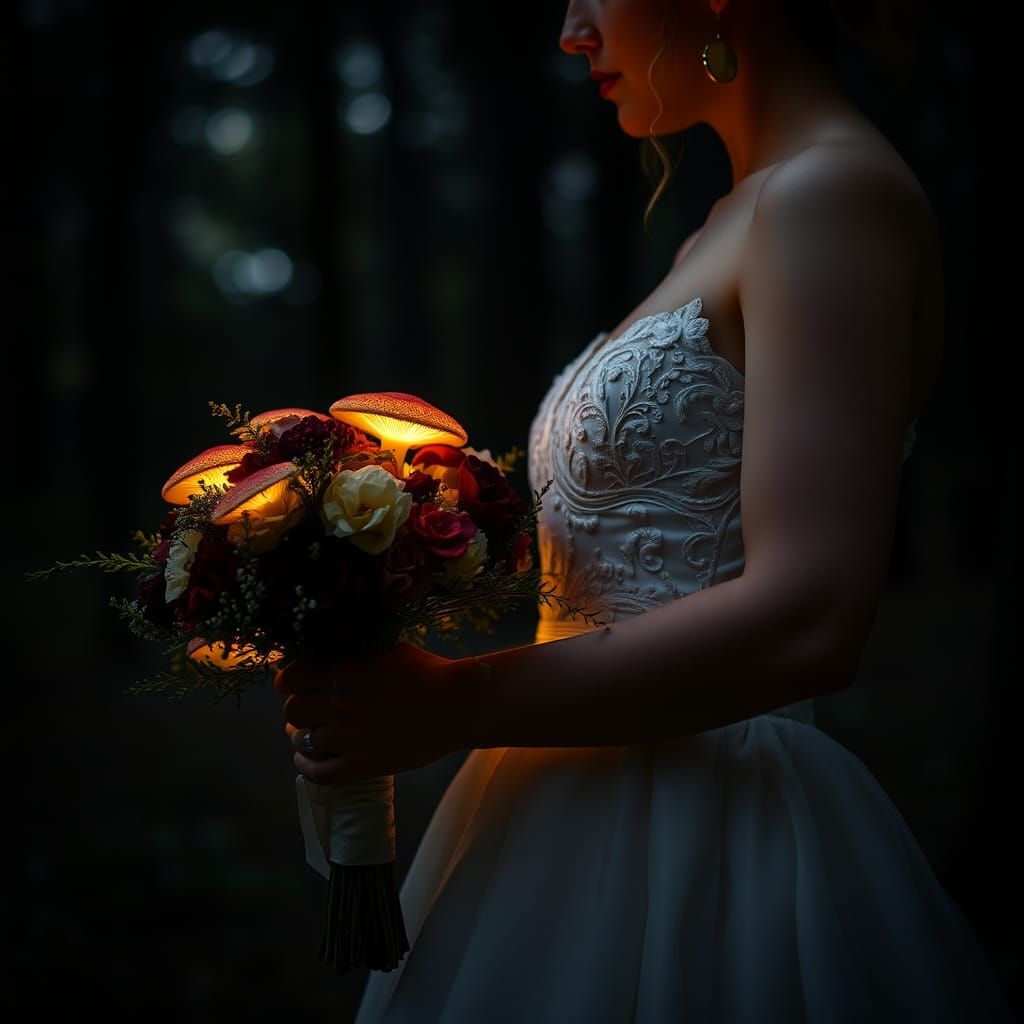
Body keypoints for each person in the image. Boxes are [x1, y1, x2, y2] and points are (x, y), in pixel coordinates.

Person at [277, 0, 1015, 1020]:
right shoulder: (735, 217)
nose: (573, 32)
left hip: (699, 826)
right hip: (551, 799)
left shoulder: (832, 195)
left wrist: (454, 703)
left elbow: (812, 613)